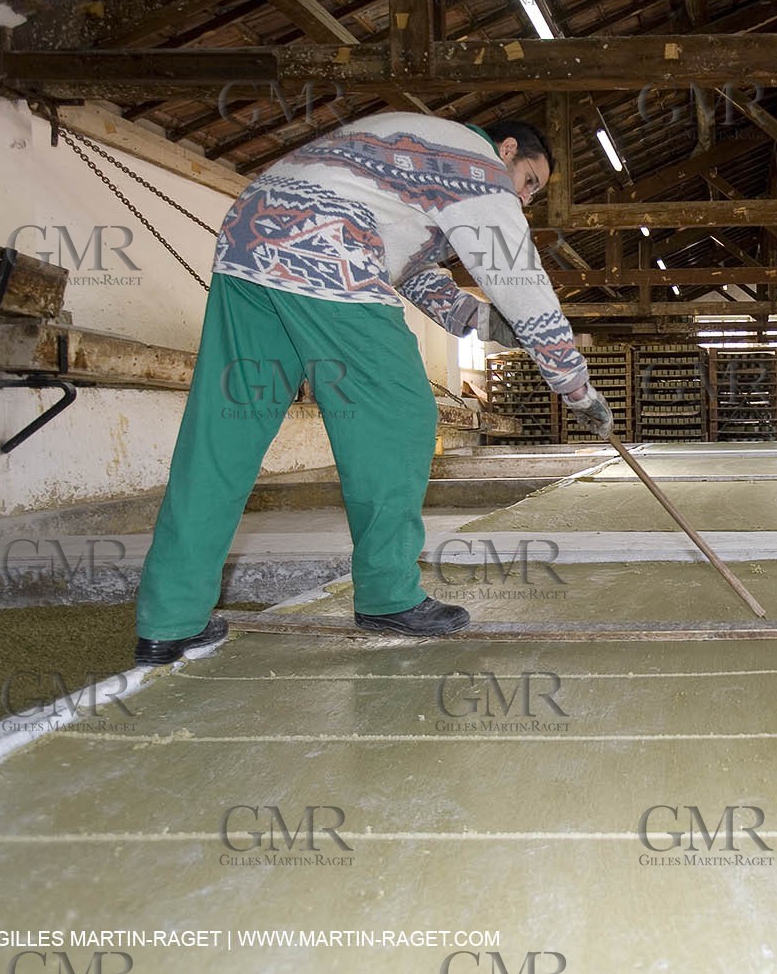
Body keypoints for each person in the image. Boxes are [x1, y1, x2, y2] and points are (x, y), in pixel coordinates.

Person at [133, 114, 611, 666]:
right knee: (399, 419)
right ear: (507, 150)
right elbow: (518, 274)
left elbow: (406, 271)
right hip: (326, 248)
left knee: (224, 434)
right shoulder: (476, 164)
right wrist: (572, 383)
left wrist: (489, 323)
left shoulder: (408, 160)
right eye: (529, 181)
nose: (524, 199)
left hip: (249, 244)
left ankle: (169, 620)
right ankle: (388, 594)